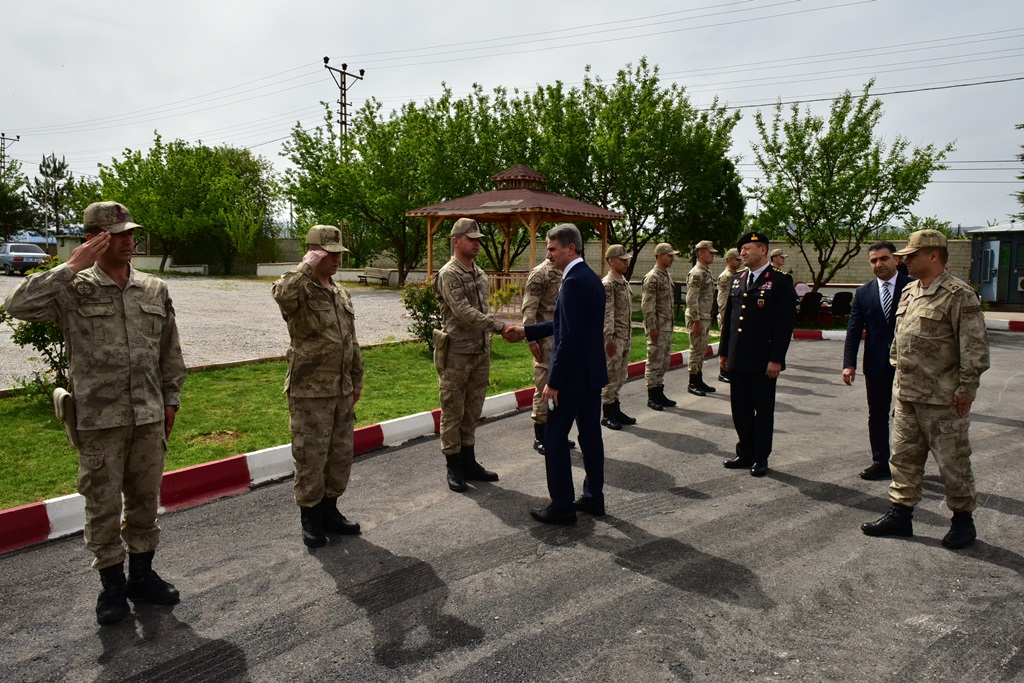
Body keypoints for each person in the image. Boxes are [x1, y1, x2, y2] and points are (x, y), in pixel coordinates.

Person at [3, 201, 186, 625]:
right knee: (102, 506)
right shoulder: (72, 288)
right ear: (94, 238)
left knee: (144, 502)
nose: (128, 239)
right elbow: (17, 306)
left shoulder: (153, 289)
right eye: (117, 233)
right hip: (99, 421)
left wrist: (170, 400)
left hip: (148, 417)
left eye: (129, 232)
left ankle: (142, 576)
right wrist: (70, 266)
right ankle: (111, 588)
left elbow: (170, 351)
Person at [862, 229, 990, 549]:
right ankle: (901, 515)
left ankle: (963, 520)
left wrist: (966, 389)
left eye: (911, 255)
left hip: (943, 398)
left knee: (953, 463)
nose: (904, 260)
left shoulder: (959, 295)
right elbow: (900, 338)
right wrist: (897, 368)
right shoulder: (910, 292)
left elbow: (974, 348)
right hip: (907, 395)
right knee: (903, 458)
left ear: (934, 255)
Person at [503, 224, 608, 524]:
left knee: (554, 437)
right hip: (590, 376)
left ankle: (561, 505)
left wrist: (554, 382)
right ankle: (593, 498)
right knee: (591, 437)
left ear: (570, 249)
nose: (548, 255)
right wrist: (527, 330)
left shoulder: (573, 281)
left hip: (572, 379)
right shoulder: (589, 277)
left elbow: (568, 339)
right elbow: (563, 324)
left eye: (552, 249)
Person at [272, 225, 364, 548]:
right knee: (311, 454)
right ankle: (310, 516)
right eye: (330, 253)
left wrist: (356, 379)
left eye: (339, 253)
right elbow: (281, 294)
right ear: (314, 253)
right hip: (310, 391)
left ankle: (330, 509)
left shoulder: (340, 292)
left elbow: (350, 339)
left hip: (340, 388)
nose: (337, 258)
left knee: (339, 454)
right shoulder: (299, 289)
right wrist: (306, 265)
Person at [432, 218, 507, 492]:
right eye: (471, 238)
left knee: (473, 409)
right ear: (456, 241)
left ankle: (469, 461)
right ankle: (453, 465)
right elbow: (463, 311)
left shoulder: (479, 273)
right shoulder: (449, 274)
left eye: (478, 239)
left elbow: (481, 310)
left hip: (479, 352)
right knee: (453, 410)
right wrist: (500, 326)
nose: (477, 243)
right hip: (457, 354)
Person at [719, 232, 797, 477]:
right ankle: (745, 452)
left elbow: (784, 325)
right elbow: (729, 321)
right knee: (739, 409)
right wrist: (723, 352)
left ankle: (761, 456)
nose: (742, 253)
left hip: (763, 361)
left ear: (762, 250)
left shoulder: (780, 280)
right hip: (738, 358)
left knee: (762, 411)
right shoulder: (738, 279)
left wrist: (777, 359)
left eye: (747, 248)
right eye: (741, 249)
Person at [841, 241, 913, 481]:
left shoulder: (913, 287)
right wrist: (848, 363)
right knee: (878, 414)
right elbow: (854, 330)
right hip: (876, 364)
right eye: (874, 260)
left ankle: (910, 463)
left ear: (896, 260)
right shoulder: (864, 292)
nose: (879, 264)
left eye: (883, 259)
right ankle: (880, 461)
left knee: (911, 415)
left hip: (910, 365)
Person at [521, 257, 575, 454]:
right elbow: (529, 308)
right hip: (545, 341)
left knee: (562, 387)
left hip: (562, 339)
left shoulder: (565, 271)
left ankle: (557, 433)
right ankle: (540, 436)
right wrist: (531, 339)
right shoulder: (540, 273)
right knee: (544, 386)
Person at [600, 244, 636, 430]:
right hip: (614, 338)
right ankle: (607, 414)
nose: (626, 262)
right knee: (611, 376)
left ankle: (615, 409)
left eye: (626, 259)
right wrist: (609, 339)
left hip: (625, 336)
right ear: (611, 261)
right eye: (622, 259)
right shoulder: (608, 284)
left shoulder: (623, 281)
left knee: (621, 375)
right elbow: (607, 313)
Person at [642, 243, 680, 411]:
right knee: (654, 362)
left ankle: (659, 391)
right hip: (657, 328)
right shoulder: (653, 277)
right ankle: (652, 396)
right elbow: (647, 306)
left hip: (667, 327)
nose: (672, 258)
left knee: (663, 362)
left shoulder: (666, 275)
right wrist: (652, 328)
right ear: (659, 256)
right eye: (669, 255)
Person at [685, 240, 718, 396]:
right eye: (709, 252)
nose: (713, 255)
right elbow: (692, 299)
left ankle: (699, 379)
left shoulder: (706, 271)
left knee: (701, 349)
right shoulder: (697, 273)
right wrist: (696, 320)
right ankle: (692, 382)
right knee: (696, 350)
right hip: (697, 318)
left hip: (704, 317)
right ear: (700, 254)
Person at [716, 248, 742, 384]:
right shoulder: (727, 276)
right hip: (726, 314)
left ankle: (729, 369)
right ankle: (723, 371)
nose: (739, 262)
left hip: (731, 315)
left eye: (740, 260)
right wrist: (723, 314)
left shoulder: (736, 275)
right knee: (725, 342)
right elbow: (722, 298)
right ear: (729, 260)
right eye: (737, 260)